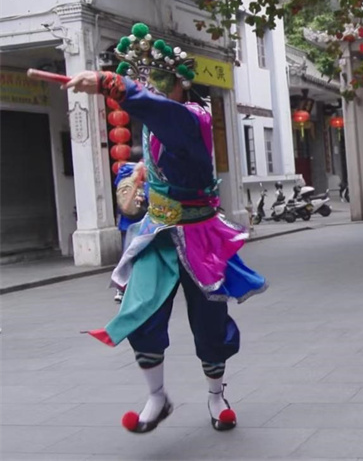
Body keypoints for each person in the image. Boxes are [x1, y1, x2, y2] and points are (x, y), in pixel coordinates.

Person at [65, 22, 267, 434]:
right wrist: (141, 174)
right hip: (157, 233)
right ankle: (157, 396)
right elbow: (161, 146)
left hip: (199, 235)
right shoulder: (155, 121)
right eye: (142, 81)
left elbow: (166, 120)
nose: (150, 88)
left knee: (209, 320)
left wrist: (110, 82)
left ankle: (216, 395)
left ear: (180, 84)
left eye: (156, 80)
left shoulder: (193, 118)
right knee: (140, 313)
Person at [112, 158, 148, 303]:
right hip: (137, 226)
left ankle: (122, 288)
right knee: (132, 256)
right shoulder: (139, 184)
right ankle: (123, 288)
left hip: (127, 225)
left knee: (128, 256)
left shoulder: (124, 181)